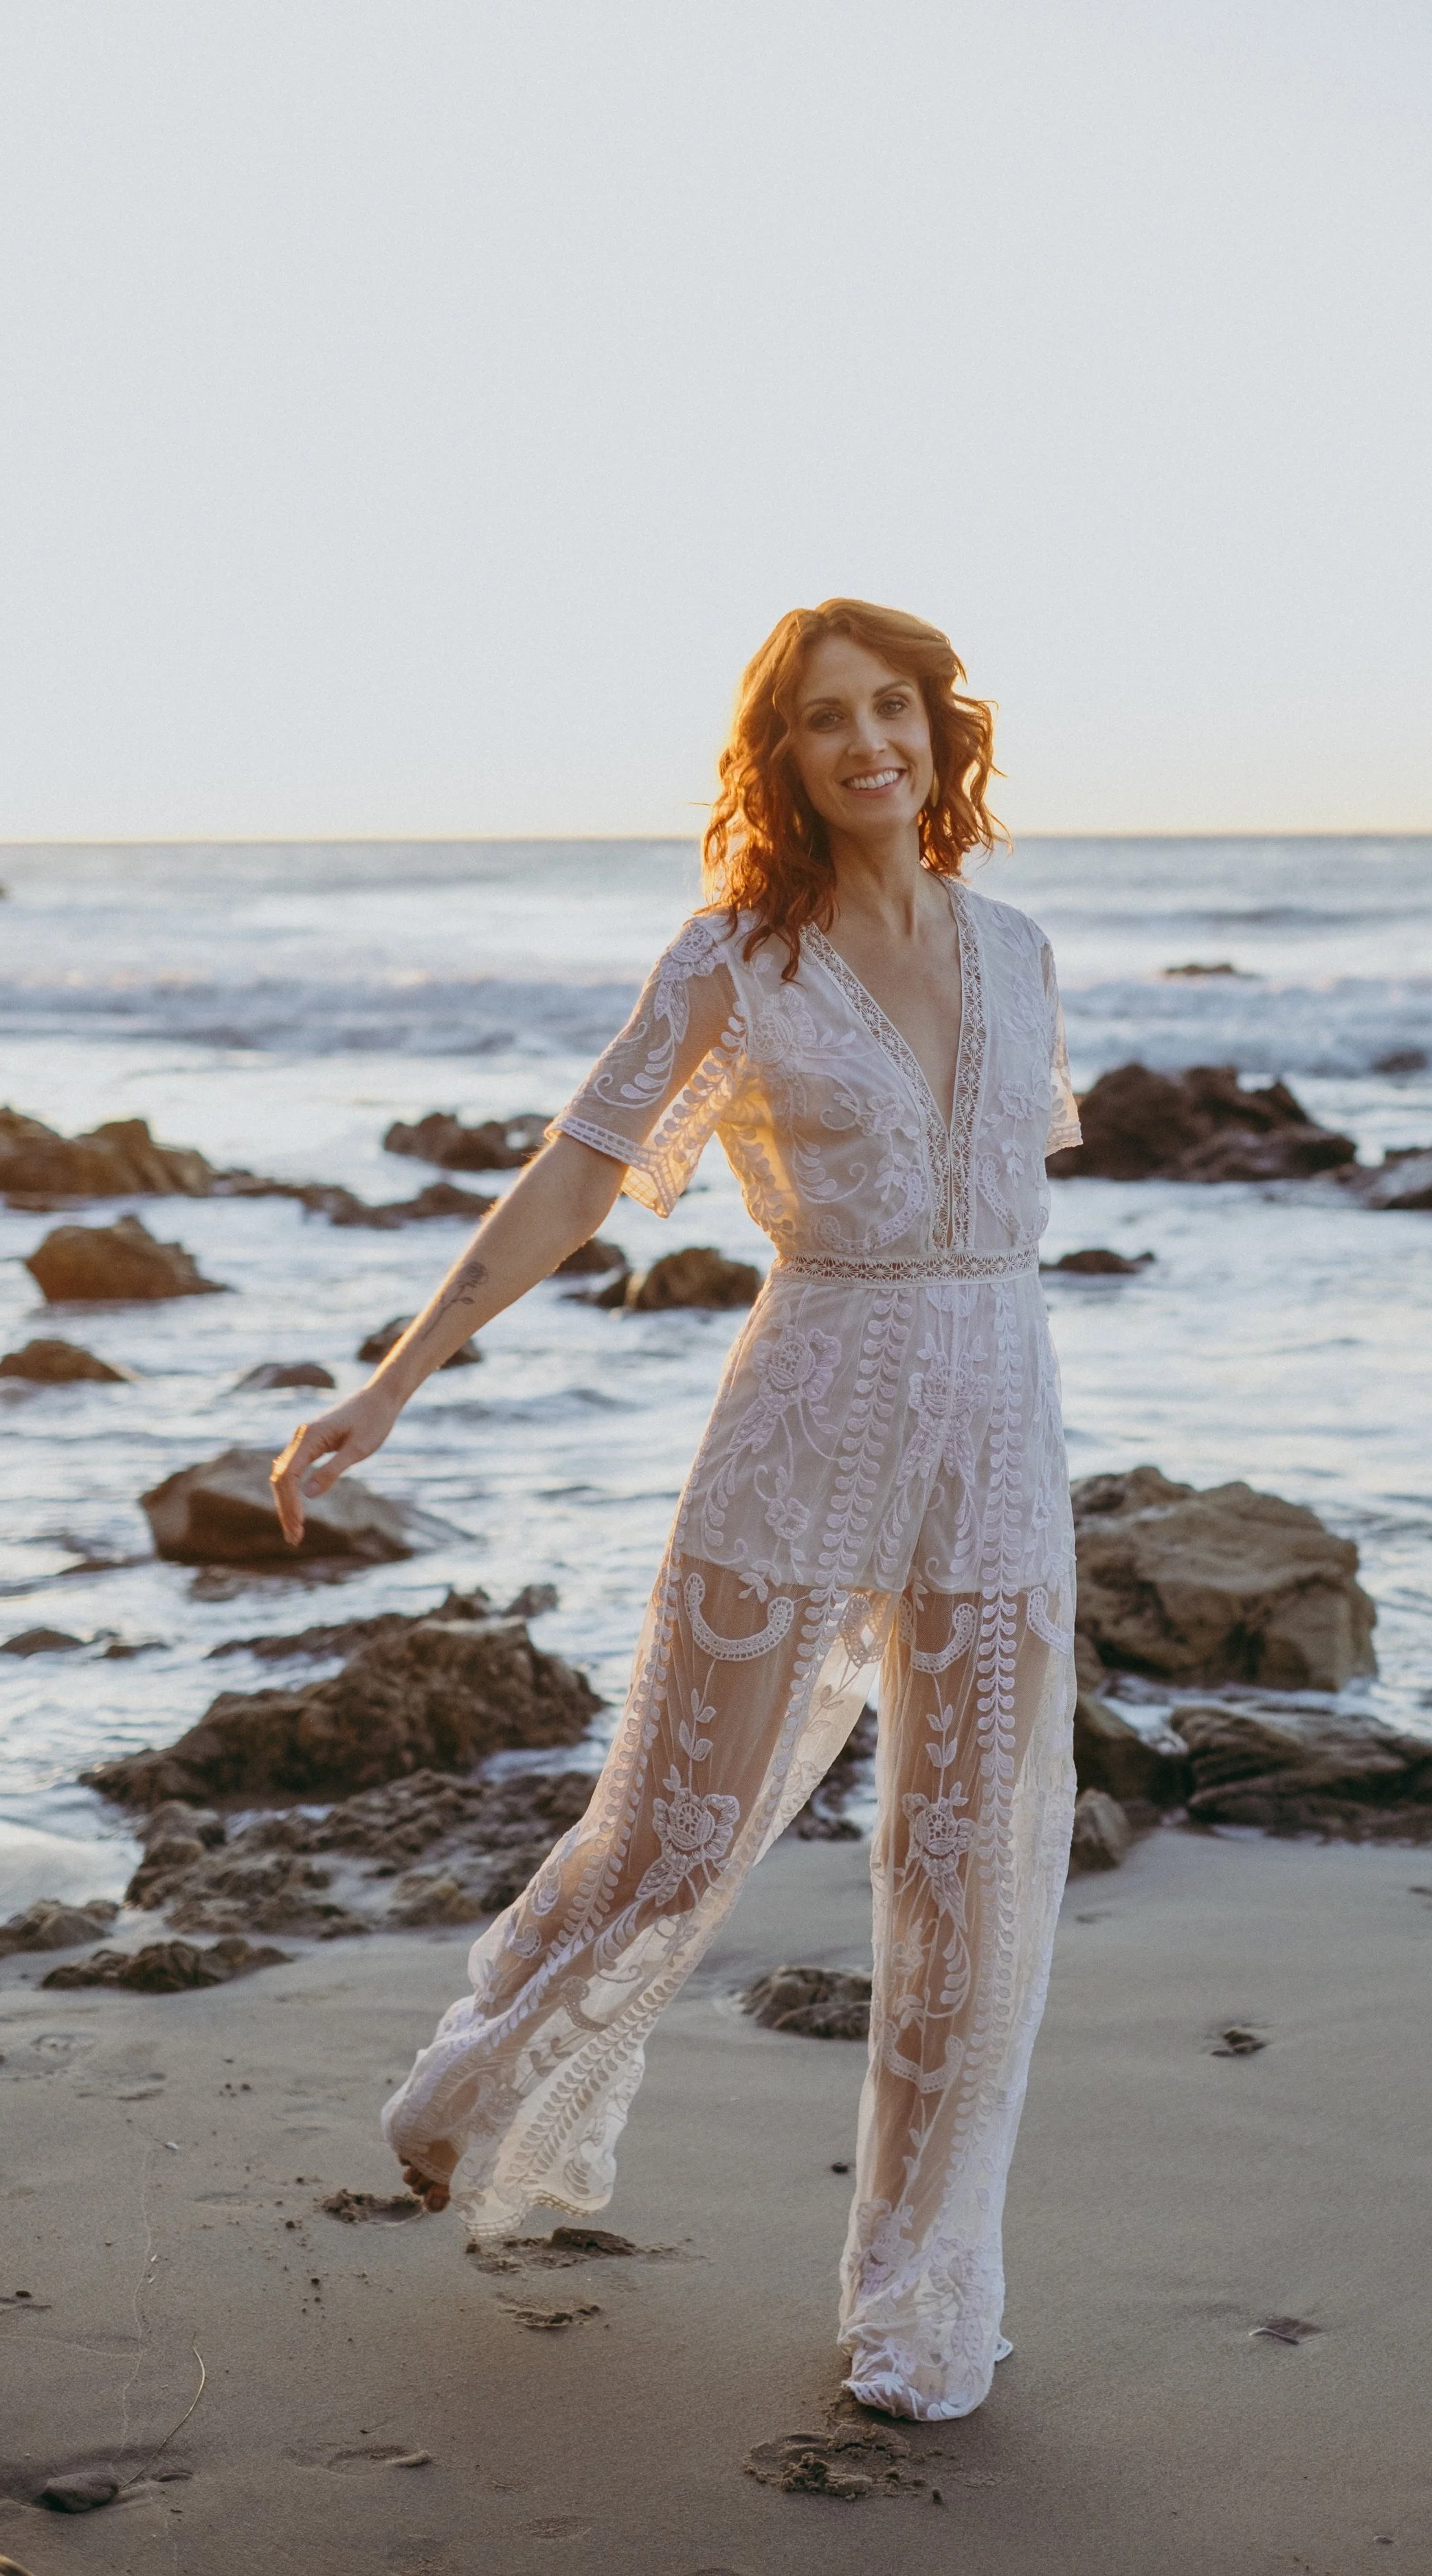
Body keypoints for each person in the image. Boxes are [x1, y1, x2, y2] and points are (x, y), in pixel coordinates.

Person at [269, 598, 1083, 2421]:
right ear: (778, 758)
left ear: (943, 732)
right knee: (672, 1830)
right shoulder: (739, 958)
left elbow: (1000, 1218)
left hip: (998, 1451)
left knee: (974, 1877)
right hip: (802, 1420)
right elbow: (573, 1177)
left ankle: (921, 2300)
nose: (865, 740)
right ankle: (475, 2086)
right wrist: (391, 1380)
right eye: (821, 719)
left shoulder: (1023, 949)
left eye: (891, 707)